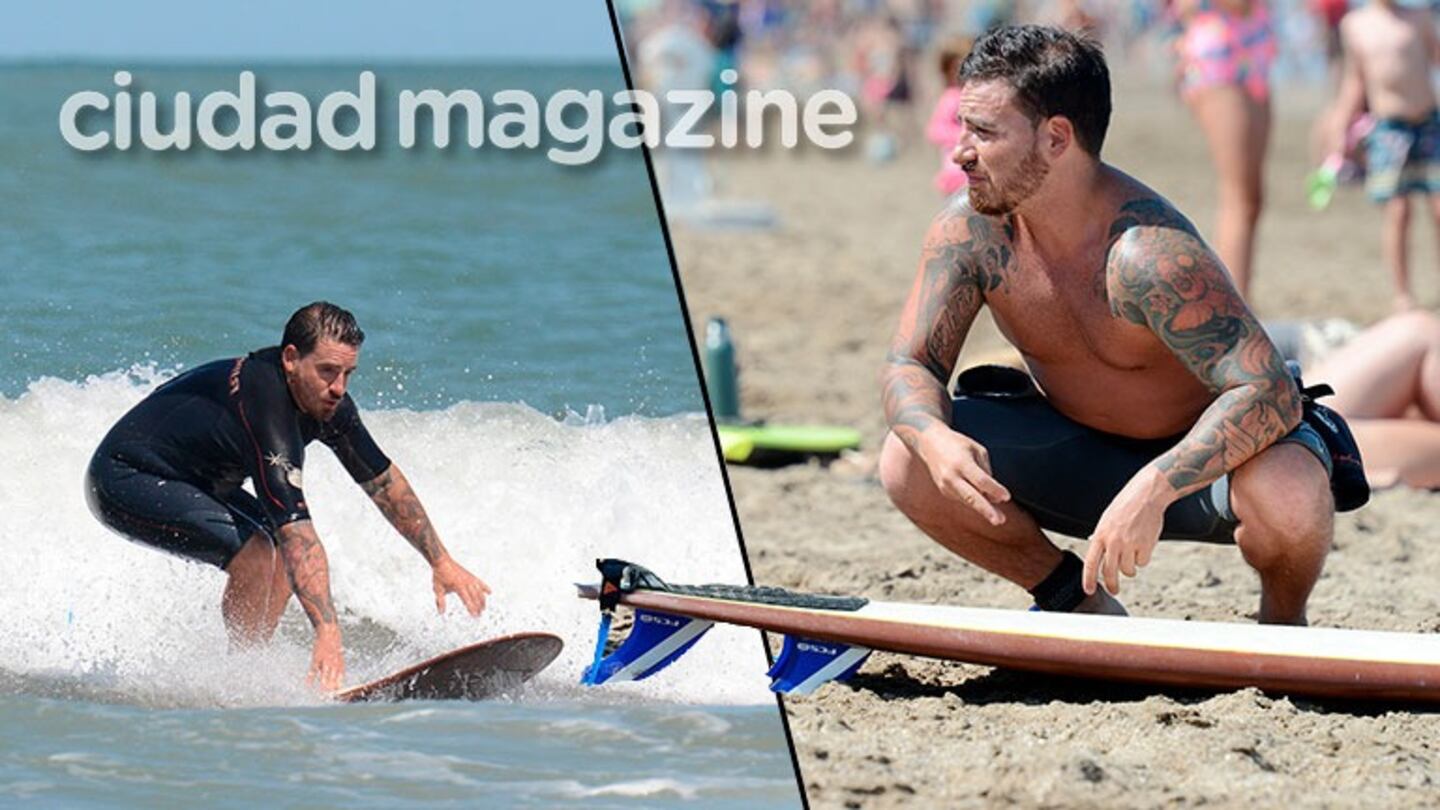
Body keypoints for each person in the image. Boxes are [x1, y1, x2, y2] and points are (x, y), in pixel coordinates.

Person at [878, 26, 1367, 627]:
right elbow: (911, 364)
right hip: (1073, 452)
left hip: (1202, 471)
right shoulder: (970, 234)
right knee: (905, 461)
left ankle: (1283, 623)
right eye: (962, 126)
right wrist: (933, 437)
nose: (960, 151)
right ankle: (1071, 595)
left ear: (1056, 138)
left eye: (983, 132)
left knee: (1291, 490)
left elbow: (1268, 390)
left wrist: (1155, 486)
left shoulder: (1148, 255)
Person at [86, 302, 491, 691]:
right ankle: (240, 677)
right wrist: (328, 632)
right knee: (261, 553)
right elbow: (296, 531)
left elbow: (383, 483)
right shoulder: (266, 407)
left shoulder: (327, 404)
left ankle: (247, 670)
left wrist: (441, 561)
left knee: (275, 552)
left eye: (349, 373)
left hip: (200, 482)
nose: (338, 388)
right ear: (291, 358)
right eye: (328, 371)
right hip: (126, 475)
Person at [1330, 0, 1440, 311]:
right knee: (1398, 212)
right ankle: (1403, 292)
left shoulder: (1418, 17)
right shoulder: (1355, 24)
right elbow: (1355, 81)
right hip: (1388, 129)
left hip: (1428, 123)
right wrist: (1341, 126)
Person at [1171, 0, 1276, 298]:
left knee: (1253, 199)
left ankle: (1239, 299)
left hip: (1253, 51)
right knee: (1239, 198)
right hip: (1220, 59)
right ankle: (1235, 306)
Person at [926, 37, 972, 196]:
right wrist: (965, 136)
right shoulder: (951, 97)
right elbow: (935, 130)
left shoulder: (978, 96)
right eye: (955, 69)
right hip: (957, 169)